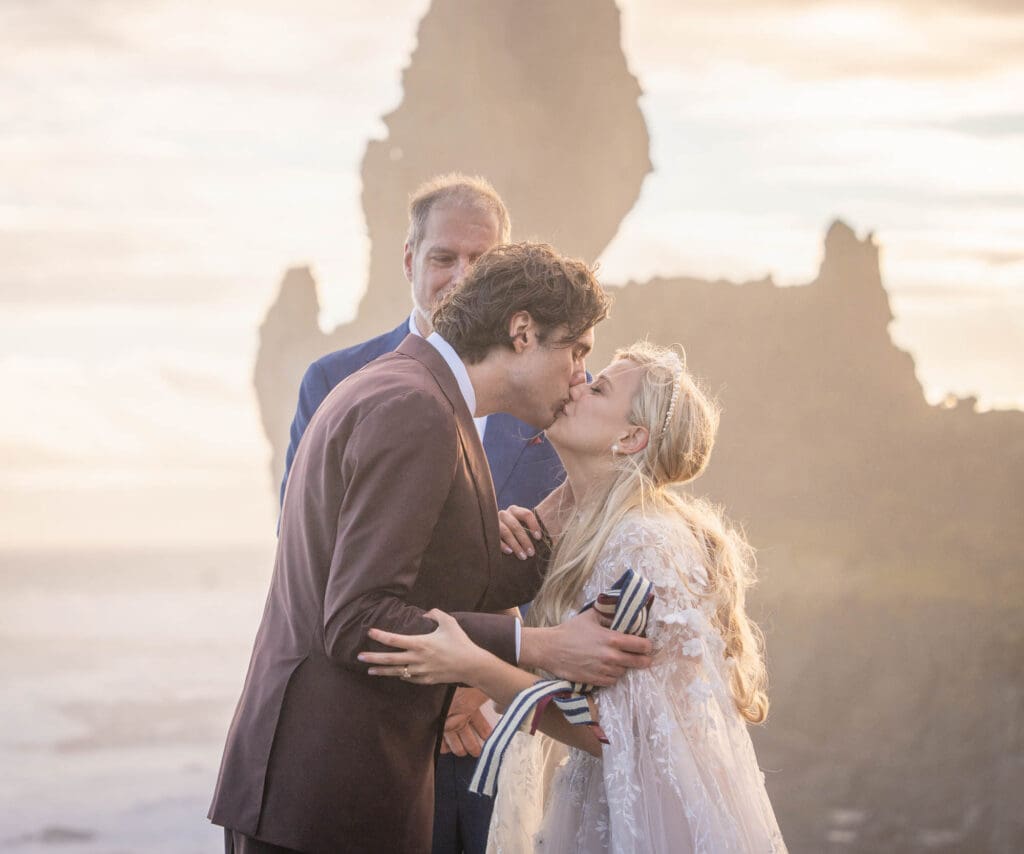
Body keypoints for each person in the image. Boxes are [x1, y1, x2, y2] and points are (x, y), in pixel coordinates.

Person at [209, 242, 654, 854]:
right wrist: (540, 645)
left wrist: (574, 496)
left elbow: (436, 583)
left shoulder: (419, 391)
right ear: (522, 332)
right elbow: (358, 621)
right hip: (323, 802)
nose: (579, 374)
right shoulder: (415, 409)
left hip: (334, 793)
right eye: (576, 350)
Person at [361, 341, 788, 853]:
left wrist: (474, 664)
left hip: (651, 825)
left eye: (599, 388)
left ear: (632, 437)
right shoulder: (596, 532)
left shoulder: (643, 542)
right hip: (598, 806)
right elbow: (585, 697)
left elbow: (611, 733)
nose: (577, 385)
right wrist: (496, 567)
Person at [278, 174, 571, 854]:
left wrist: (478, 680)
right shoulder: (336, 380)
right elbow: (312, 551)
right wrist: (447, 676)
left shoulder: (548, 392)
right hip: (373, 723)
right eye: (444, 258)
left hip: (498, 728)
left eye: (483, 260)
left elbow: (556, 560)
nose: (462, 277)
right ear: (410, 260)